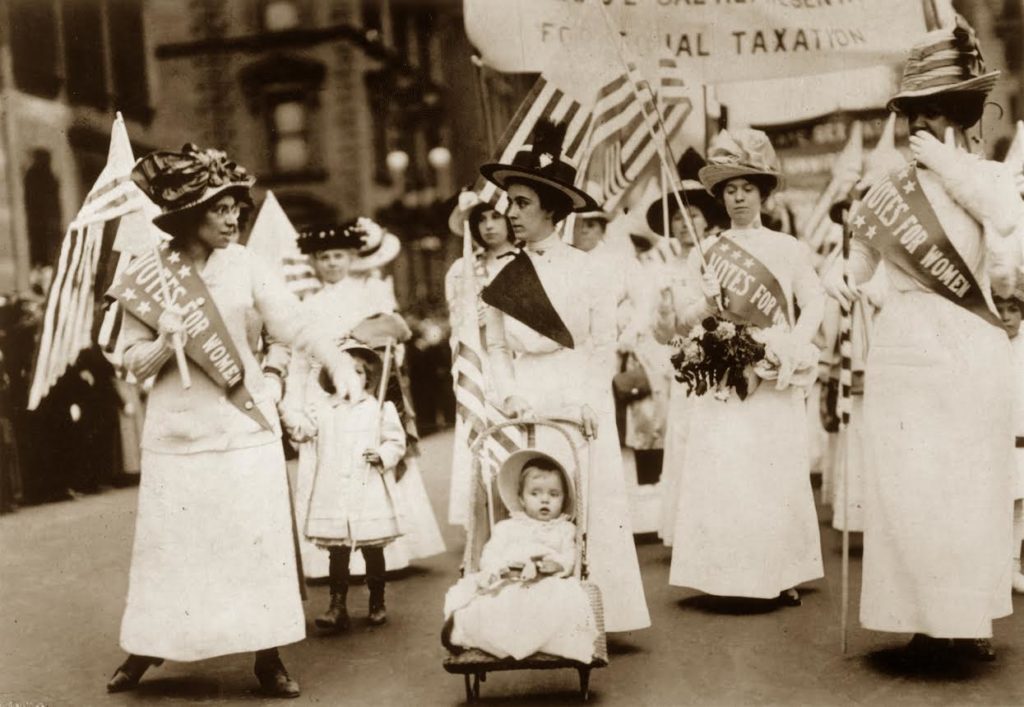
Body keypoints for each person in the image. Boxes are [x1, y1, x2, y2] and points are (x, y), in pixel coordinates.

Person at [107, 143, 359, 697]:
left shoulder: (246, 264)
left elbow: (294, 325)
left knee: (255, 543)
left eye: (237, 209)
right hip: (177, 432)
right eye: (221, 209)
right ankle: (148, 646)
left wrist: (338, 361)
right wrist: (162, 340)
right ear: (189, 214)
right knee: (172, 547)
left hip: (245, 428)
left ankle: (267, 654)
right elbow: (128, 362)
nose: (233, 218)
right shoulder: (149, 273)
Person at [823, 16, 1024, 661]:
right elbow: (859, 269)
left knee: (965, 486)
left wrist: (947, 164)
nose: (918, 126)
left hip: (967, 343)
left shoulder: (988, 178)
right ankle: (920, 619)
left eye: (931, 113)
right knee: (907, 486)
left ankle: (966, 623)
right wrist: (841, 278)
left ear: (957, 115)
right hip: (905, 346)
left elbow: (1005, 219)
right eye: (913, 113)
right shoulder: (887, 193)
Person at [479, 119, 650, 633]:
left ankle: (597, 615)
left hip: (578, 397)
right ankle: (534, 620)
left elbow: (600, 346)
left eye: (522, 202)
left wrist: (585, 403)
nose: (511, 213)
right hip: (524, 398)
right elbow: (494, 346)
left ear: (552, 209)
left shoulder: (591, 270)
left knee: (589, 502)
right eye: (509, 202)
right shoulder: (499, 275)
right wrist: (506, 394)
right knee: (530, 503)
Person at [661, 129, 825, 606]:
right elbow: (684, 321)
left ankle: (781, 572)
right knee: (727, 471)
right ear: (719, 196)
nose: (737, 198)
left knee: (772, 471)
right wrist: (705, 304)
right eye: (729, 190)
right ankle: (723, 577)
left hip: (772, 373)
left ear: (763, 192)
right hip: (722, 377)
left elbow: (812, 301)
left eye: (746, 188)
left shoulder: (787, 247)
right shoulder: (704, 252)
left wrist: (791, 346)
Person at [282, 218, 444, 580]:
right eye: (324, 257)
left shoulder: (368, 297)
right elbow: (298, 357)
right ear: (314, 262)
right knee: (326, 468)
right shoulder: (306, 305)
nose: (332, 264)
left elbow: (392, 347)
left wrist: (373, 362)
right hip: (319, 392)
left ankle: (382, 550)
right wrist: (295, 405)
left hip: (363, 388)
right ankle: (328, 558)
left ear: (352, 257)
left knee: (366, 462)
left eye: (339, 255)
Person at [442, 450, 598, 662]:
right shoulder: (507, 527)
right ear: (521, 499)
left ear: (564, 499)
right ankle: (472, 631)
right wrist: (499, 568)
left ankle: (532, 642)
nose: (545, 500)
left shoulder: (564, 530)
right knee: (496, 605)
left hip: (547, 581)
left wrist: (558, 565)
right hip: (510, 579)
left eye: (554, 495)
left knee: (558, 604)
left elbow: (570, 556)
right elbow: (490, 554)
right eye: (535, 494)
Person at [649, 148, 728, 546]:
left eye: (693, 216)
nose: (684, 225)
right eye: (678, 219)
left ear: (707, 218)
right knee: (683, 439)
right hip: (684, 364)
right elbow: (663, 331)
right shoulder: (663, 265)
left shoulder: (720, 255)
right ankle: (688, 532)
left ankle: (719, 527)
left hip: (720, 359)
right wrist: (663, 310)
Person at [299, 344, 406, 631]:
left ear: (367, 377)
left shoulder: (380, 408)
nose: (350, 378)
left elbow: (396, 442)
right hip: (335, 490)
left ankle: (377, 601)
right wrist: (298, 424)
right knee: (338, 552)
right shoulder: (323, 410)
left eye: (357, 372)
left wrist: (382, 454)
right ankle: (337, 606)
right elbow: (305, 432)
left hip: (367, 486)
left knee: (372, 548)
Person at [444, 192, 516, 527]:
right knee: (479, 440)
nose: (488, 226)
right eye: (481, 220)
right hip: (479, 364)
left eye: (495, 217)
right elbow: (456, 321)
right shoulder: (463, 269)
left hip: (515, 361)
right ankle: (483, 531)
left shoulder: (521, 262)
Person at [995, 294, 1024, 594]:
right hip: (998, 442)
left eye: (1013, 309)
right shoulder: (989, 345)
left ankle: (1015, 564)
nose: (1006, 316)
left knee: (1020, 509)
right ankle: (997, 567)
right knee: (999, 507)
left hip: (1022, 441)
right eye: (1000, 309)